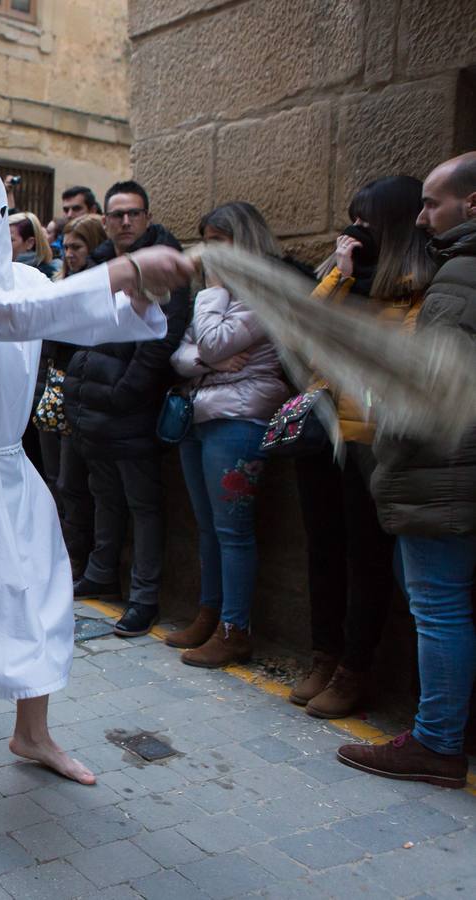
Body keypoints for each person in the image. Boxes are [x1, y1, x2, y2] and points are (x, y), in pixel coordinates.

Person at [0, 161, 190, 844]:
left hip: (8, 468)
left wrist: (142, 290)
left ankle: (32, 734)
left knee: (44, 600)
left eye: (1, 210)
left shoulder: (24, 276)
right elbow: (8, 317)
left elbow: (84, 318)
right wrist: (119, 271)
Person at [337, 152, 476, 788]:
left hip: (443, 470)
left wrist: (389, 418)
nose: (423, 217)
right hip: (453, 470)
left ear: (470, 205)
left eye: (433, 203)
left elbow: (433, 387)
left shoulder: (458, 277)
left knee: (439, 607)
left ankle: (436, 742)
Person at [286, 176, 436, 719]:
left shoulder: (417, 286)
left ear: (395, 225)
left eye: (368, 223)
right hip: (322, 434)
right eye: (353, 220)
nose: (356, 232)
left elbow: (396, 359)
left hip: (371, 443)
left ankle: (355, 668)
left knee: (366, 559)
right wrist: (337, 280)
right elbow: (300, 336)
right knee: (323, 551)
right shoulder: (342, 276)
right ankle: (323, 656)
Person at [163, 202, 290, 667]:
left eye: (219, 242)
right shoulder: (216, 295)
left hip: (240, 420)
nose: (209, 253)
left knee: (233, 532)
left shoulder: (264, 290)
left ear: (246, 242)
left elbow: (211, 341)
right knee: (208, 528)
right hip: (201, 415)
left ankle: (235, 629)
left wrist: (211, 304)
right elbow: (179, 356)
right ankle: (210, 615)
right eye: (206, 242)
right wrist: (208, 358)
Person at [65, 180, 193, 637]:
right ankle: (101, 572)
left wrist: (121, 394)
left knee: (143, 505)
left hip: (128, 408)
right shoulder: (102, 265)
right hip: (92, 406)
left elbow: (160, 343)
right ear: (106, 220)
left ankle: (144, 598)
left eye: (133, 214)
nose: (125, 222)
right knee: (104, 497)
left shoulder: (162, 264)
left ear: (147, 217)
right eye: (117, 214)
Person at [41, 214, 107, 573]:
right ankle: (58, 550)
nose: (69, 254)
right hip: (54, 388)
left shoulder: (96, 288)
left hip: (81, 391)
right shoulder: (60, 283)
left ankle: (75, 556)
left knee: (72, 482)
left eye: (77, 247)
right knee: (54, 478)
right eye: (65, 247)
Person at [9, 211, 59, 279]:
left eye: (10, 240)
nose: (3, 244)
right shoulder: (1, 269)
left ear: (30, 243)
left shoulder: (45, 277)